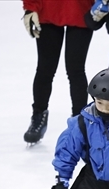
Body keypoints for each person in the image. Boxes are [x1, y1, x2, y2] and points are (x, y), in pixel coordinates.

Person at [22, 0, 94, 144]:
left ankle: (80, 122)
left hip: (81, 9)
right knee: (45, 69)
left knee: (76, 70)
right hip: (49, 8)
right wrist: (30, 7)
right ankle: (38, 116)